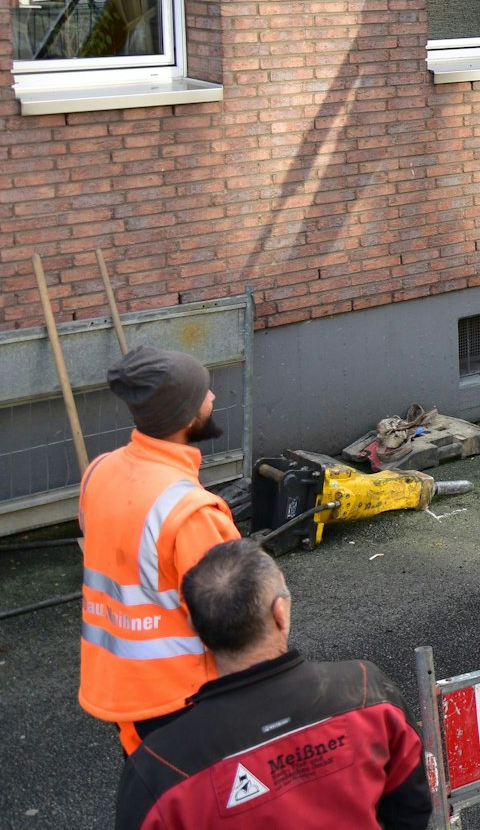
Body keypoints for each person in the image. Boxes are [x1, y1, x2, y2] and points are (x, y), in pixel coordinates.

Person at [115, 540, 431, 829]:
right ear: (279, 613)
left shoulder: (160, 766)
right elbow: (411, 805)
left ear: (195, 630)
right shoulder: (366, 691)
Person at [81, 346, 241, 754]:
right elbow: (234, 623)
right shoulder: (191, 512)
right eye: (205, 393)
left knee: (151, 802)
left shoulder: (99, 472)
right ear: (186, 417)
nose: (213, 398)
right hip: (184, 699)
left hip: (125, 692)